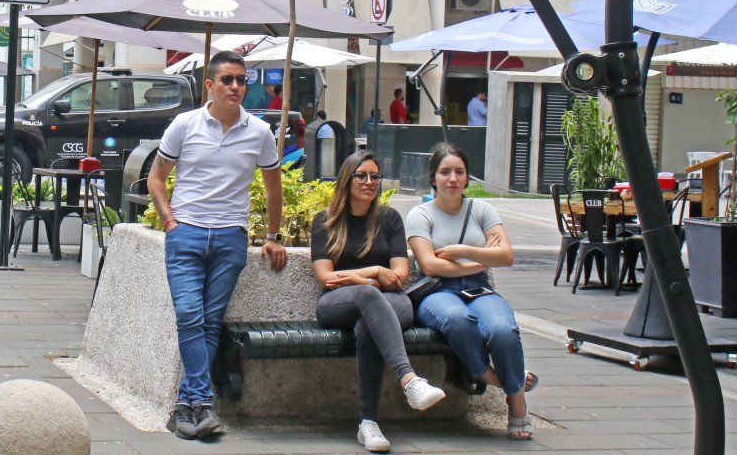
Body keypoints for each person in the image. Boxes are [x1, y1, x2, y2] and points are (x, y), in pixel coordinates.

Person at [148, 49, 288, 441]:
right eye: (227, 79)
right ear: (209, 85)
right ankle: (201, 403)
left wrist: (272, 236)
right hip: (187, 233)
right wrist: (170, 221)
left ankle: (186, 408)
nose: (236, 86)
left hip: (230, 237)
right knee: (190, 316)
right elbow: (156, 179)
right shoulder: (184, 124)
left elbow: (273, 188)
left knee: (210, 322)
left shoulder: (259, 132)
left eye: (241, 80)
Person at [312, 151, 447, 452]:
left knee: (368, 326)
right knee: (368, 296)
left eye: (375, 176)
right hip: (337, 303)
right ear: (347, 180)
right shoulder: (325, 221)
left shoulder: (388, 218)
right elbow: (326, 278)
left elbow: (399, 274)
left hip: (390, 301)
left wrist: (360, 280)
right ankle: (410, 380)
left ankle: (368, 424)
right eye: (361, 176)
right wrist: (372, 273)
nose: (369, 182)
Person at [406, 143, 537, 441]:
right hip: (436, 292)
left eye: (459, 172)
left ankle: (516, 403)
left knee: (502, 328)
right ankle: (489, 376)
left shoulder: (483, 210)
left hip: (479, 287)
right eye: (445, 172)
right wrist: (480, 258)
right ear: (433, 178)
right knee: (458, 319)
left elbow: (506, 256)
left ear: (467, 178)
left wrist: (461, 252)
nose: (452, 178)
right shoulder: (420, 214)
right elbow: (430, 265)